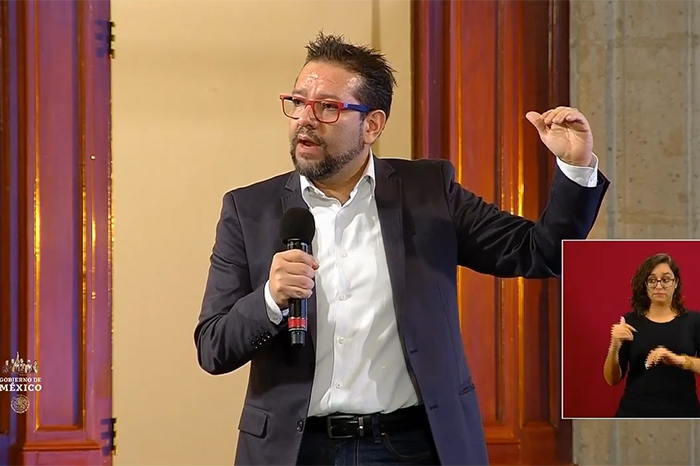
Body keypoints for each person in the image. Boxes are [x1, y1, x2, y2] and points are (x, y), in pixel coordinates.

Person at [194, 32, 609, 466]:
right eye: (298, 102)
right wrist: (269, 299)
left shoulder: (429, 193)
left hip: (411, 447)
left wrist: (575, 166)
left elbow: (541, 252)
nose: (305, 119)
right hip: (296, 451)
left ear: (371, 125)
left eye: (328, 107)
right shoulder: (249, 210)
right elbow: (212, 347)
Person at [604, 253, 700, 418]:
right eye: (652, 280)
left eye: (666, 279)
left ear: (676, 283)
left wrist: (678, 360)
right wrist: (614, 347)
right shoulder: (630, 321)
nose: (659, 286)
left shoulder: (693, 320)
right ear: (645, 285)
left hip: (683, 412)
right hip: (635, 412)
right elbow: (612, 380)